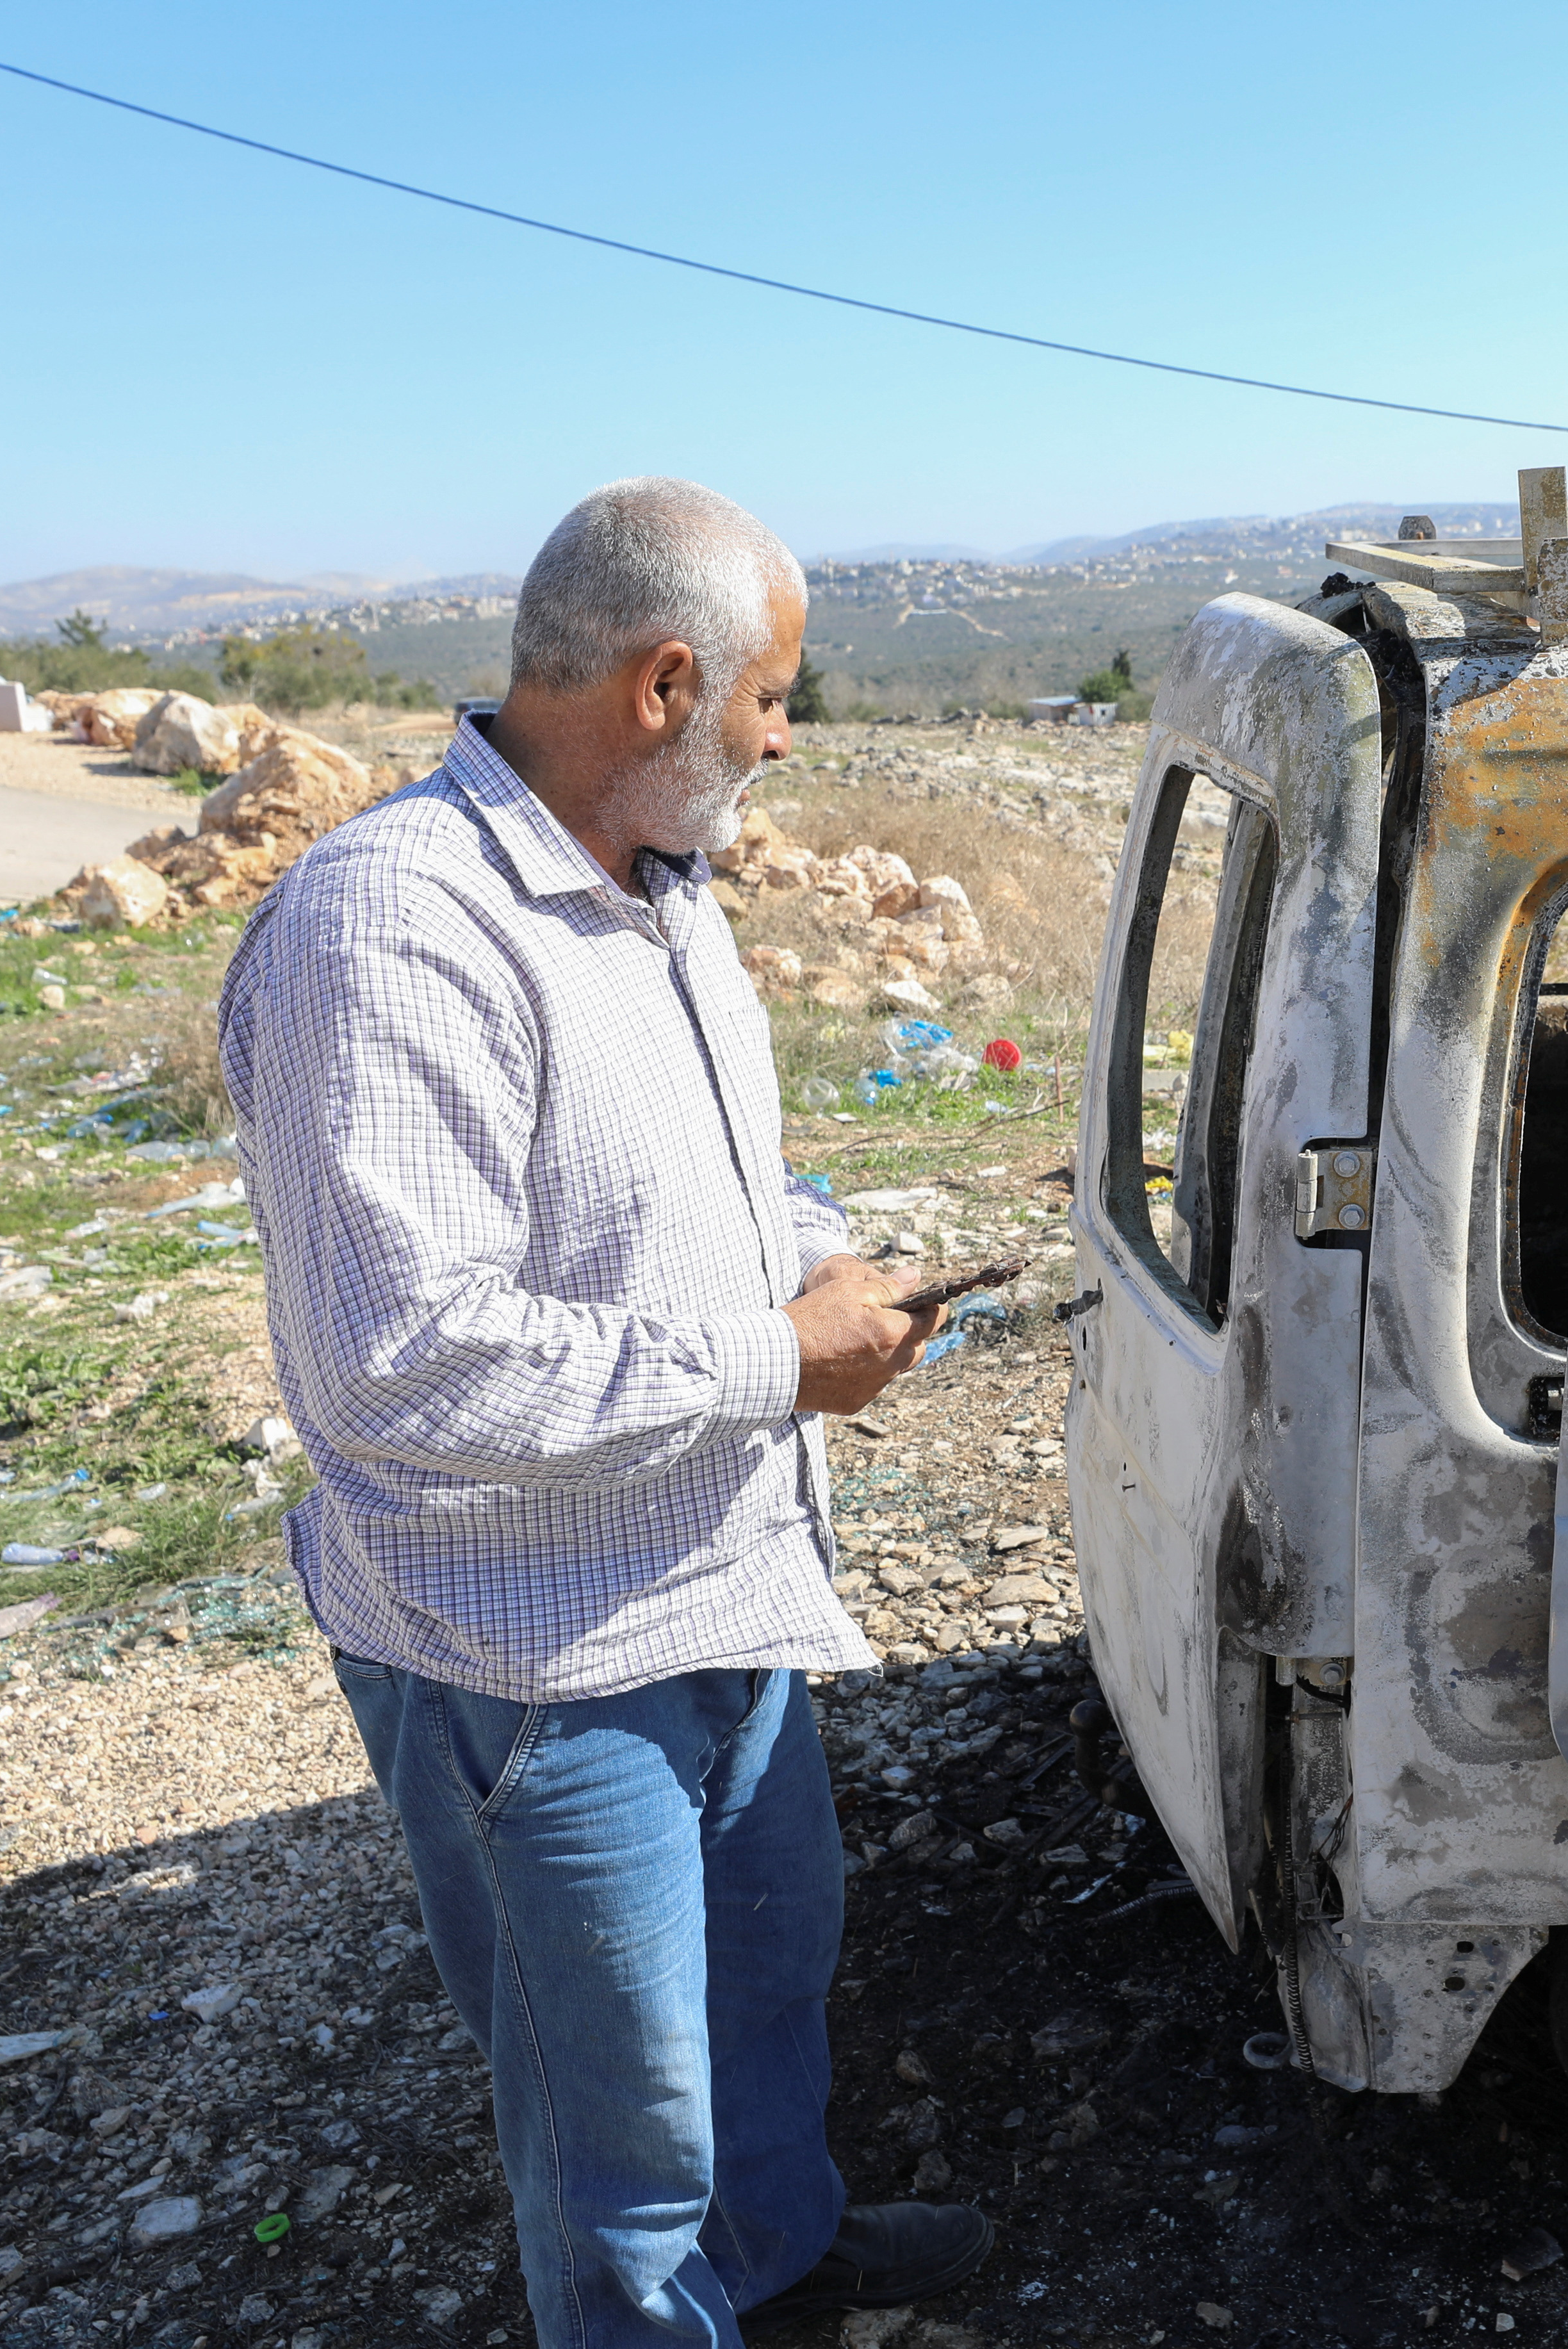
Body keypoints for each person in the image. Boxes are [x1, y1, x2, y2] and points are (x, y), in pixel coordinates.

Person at [219, 477, 990, 2346]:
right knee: (618, 2133)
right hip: (538, 1659)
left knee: (764, 1997)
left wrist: (833, 1273)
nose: (783, 739)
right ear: (664, 683)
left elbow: (708, 1196)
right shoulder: (387, 931)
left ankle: (785, 2260)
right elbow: (400, 1362)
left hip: (720, 1597)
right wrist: (774, 1360)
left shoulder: (660, 887)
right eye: (771, 698)